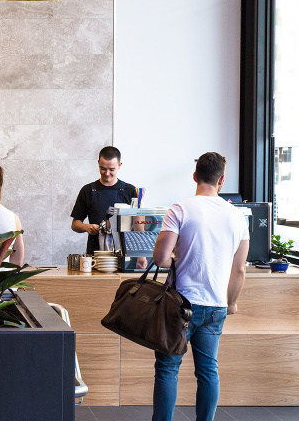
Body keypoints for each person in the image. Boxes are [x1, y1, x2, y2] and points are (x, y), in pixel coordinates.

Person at [150, 152, 250, 421]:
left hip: (180, 305)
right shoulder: (238, 217)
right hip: (216, 306)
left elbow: (160, 259)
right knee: (207, 371)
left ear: (195, 176)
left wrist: (176, 257)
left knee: (167, 369)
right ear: (222, 180)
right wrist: (231, 303)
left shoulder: (180, 209)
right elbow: (239, 269)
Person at [70, 146, 138, 255]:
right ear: (98, 163)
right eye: (103, 168)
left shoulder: (130, 190)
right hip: (96, 253)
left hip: (124, 252)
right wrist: (87, 227)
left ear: (119, 165)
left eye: (111, 169)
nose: (107, 173)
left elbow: (138, 224)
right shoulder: (87, 190)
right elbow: (75, 224)